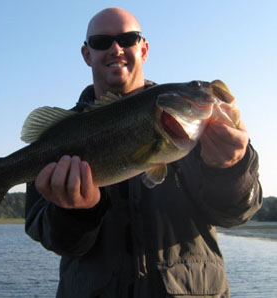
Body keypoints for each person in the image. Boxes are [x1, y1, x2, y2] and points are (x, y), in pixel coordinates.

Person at [25, 7, 262, 298]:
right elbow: (56, 239)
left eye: (128, 39)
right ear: (87, 55)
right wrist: (75, 215)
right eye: (101, 42)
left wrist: (231, 168)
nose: (116, 49)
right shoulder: (61, 137)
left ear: (144, 49)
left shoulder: (204, 131)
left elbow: (235, 215)